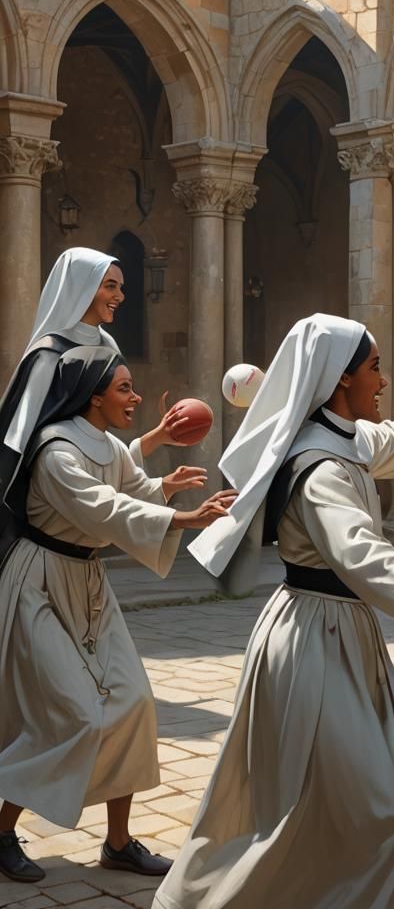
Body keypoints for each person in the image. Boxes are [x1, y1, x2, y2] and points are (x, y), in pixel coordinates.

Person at [154, 314, 394, 909]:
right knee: (374, 812)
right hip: (314, 639)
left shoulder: (338, 438)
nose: (383, 382)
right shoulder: (319, 466)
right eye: (375, 368)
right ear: (341, 380)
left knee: (346, 805)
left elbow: (389, 444)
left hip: (339, 631)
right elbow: (352, 544)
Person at [0, 346, 234, 883]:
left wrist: (163, 489)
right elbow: (104, 509)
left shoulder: (106, 444)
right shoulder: (55, 450)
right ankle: (2, 828)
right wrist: (181, 517)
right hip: (39, 582)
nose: (136, 398)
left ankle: (119, 842)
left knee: (132, 702)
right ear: (94, 395)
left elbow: (129, 490)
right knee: (71, 715)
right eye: (125, 389)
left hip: (88, 584)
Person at [0, 248, 187, 544]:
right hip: (52, 501)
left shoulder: (107, 345)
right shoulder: (48, 354)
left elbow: (96, 441)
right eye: (110, 286)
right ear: (82, 286)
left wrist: (157, 437)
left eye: (121, 287)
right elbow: (20, 445)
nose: (121, 296)